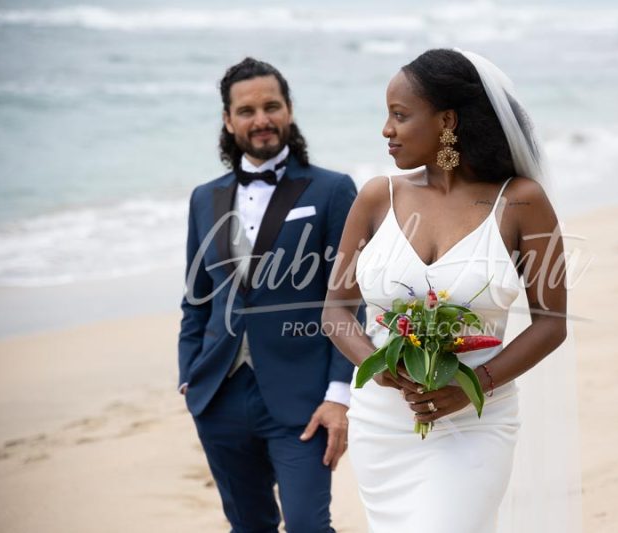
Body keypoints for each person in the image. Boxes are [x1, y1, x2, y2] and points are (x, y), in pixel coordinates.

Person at [322, 49, 582, 532]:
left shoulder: (521, 202)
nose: (386, 130)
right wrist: (379, 370)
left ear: (446, 121)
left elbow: (551, 323)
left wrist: (473, 386)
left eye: (400, 116)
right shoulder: (379, 196)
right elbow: (336, 308)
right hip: (383, 424)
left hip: (477, 421)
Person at [178, 57, 362, 533]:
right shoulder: (204, 198)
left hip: (303, 397)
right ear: (228, 120)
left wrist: (339, 394)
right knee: (249, 526)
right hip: (219, 396)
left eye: (271, 106)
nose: (261, 119)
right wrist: (189, 373)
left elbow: (351, 299)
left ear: (289, 110)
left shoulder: (333, 190)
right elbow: (197, 299)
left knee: (307, 525)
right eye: (247, 110)